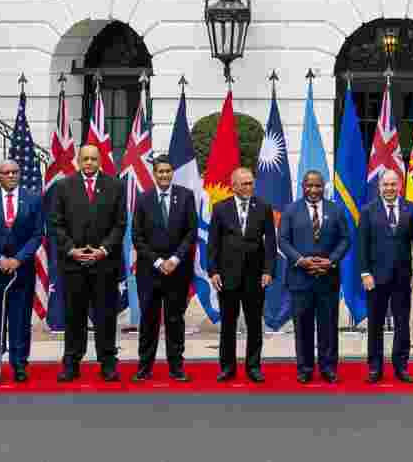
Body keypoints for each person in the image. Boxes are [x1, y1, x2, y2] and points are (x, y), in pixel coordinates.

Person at [50, 145, 126, 383]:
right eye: (85, 159)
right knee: (74, 316)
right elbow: (56, 223)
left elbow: (120, 223)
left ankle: (107, 363)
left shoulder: (115, 186)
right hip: (74, 265)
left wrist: (103, 250)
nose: (90, 163)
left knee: (105, 317)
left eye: (94, 159)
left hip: (104, 264)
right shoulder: (63, 186)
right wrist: (72, 250)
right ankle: (71, 363)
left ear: (100, 160)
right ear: (78, 161)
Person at [278, 169, 350, 384]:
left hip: (328, 278)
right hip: (300, 278)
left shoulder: (335, 210)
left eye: (317, 186)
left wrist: (331, 261)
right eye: (309, 186)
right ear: (303, 186)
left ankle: (328, 368)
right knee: (303, 326)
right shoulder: (291, 211)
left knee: (328, 326)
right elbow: (283, 241)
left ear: (323, 187)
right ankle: (305, 369)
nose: (313, 190)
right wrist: (301, 260)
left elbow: (345, 239)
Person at [0, 160, 44, 384]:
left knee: (20, 320)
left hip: (21, 272)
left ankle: (19, 364)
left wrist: (18, 259)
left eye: (15, 172)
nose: (11, 175)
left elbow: (37, 234)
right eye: (6, 173)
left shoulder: (33, 199)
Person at [207, 167, 278, 383]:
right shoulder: (221, 208)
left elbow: (271, 243)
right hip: (227, 277)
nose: (249, 187)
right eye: (245, 183)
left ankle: (253, 366)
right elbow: (213, 243)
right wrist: (213, 271)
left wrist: (268, 270)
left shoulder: (264, 207)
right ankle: (227, 367)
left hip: (255, 277)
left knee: (254, 323)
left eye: (251, 183)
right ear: (234, 185)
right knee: (228, 323)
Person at [132, 155, 199, 382]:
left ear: (173, 172)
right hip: (150, 272)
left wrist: (175, 259)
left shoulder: (186, 196)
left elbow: (191, 233)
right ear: (154, 173)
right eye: (160, 171)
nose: (164, 175)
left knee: (174, 320)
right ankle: (144, 367)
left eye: (168, 171)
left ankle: (176, 367)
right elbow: (137, 237)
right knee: (149, 320)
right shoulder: (143, 199)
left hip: (177, 272)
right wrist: (158, 262)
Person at [356, 168, 413, 383]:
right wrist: (365, 272)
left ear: (400, 185)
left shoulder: (411, 209)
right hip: (375, 278)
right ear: (379, 187)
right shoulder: (368, 211)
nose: (390, 188)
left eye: (393, 184)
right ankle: (375, 367)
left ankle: (401, 366)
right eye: (385, 185)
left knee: (402, 323)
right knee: (375, 323)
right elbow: (362, 245)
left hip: (403, 277)